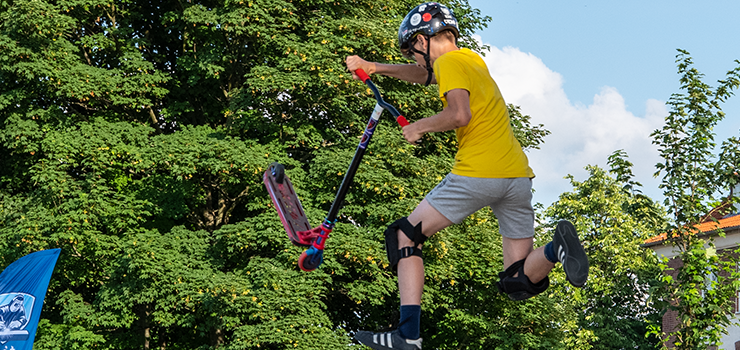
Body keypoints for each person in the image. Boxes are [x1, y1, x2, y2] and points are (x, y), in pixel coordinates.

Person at [346, 3, 589, 350]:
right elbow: (423, 75)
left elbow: (459, 114)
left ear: (423, 39)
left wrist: (420, 127)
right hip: (517, 177)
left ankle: (408, 335)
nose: (415, 59)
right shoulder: (470, 60)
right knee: (516, 280)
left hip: (479, 172)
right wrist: (375, 68)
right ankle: (556, 249)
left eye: (412, 51)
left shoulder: (448, 62)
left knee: (404, 235)